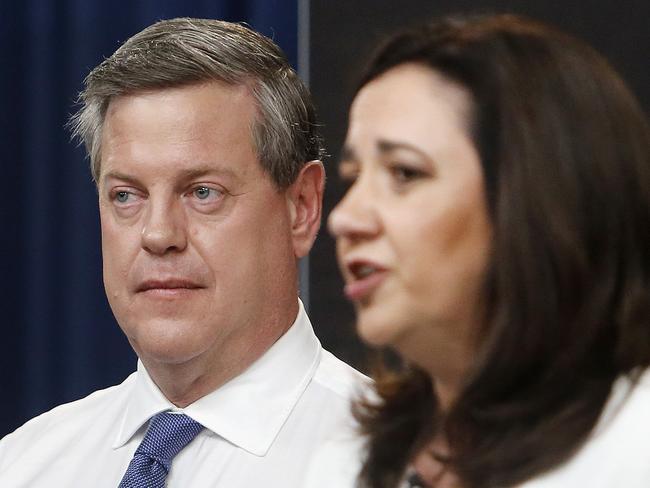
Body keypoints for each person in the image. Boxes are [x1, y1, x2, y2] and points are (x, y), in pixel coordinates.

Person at [0, 18, 365, 487]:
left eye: (202, 192)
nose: (158, 234)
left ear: (301, 207)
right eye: (126, 196)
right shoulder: (23, 466)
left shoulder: (398, 466)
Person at [318, 13, 650, 488]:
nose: (346, 218)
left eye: (404, 174)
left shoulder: (637, 447)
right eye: (354, 178)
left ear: (537, 198)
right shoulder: (344, 457)